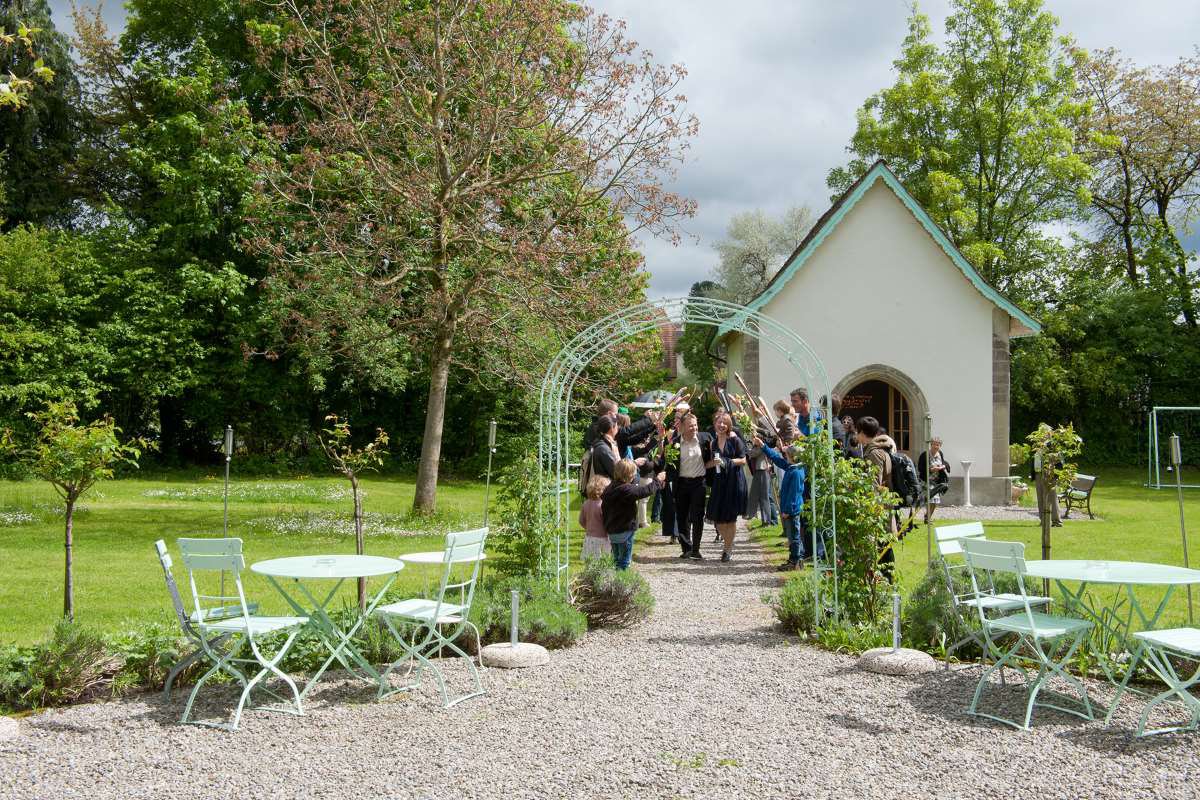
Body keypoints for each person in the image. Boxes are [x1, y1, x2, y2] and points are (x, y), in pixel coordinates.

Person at [753, 435, 811, 570]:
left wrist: (787, 510)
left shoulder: (796, 472)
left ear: (792, 457)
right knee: (793, 536)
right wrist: (763, 446)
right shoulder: (793, 467)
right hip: (790, 509)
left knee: (794, 536)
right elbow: (777, 459)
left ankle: (795, 561)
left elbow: (794, 494)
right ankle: (796, 560)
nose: (785, 456)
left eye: (787, 454)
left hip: (792, 510)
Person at [601, 459, 665, 570]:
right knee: (624, 561)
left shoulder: (610, 488)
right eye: (634, 473)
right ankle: (622, 582)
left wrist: (634, 464)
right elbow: (645, 491)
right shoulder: (626, 489)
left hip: (612, 531)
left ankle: (614, 580)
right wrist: (658, 480)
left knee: (616, 559)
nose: (636, 475)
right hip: (624, 531)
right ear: (630, 475)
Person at [857, 415, 897, 581]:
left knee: (882, 547)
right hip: (884, 506)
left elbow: (873, 484)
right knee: (884, 546)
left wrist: (867, 509)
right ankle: (887, 580)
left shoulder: (874, 453)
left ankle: (886, 581)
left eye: (857, 432)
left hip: (878, 508)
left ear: (862, 433)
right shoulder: (880, 450)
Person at [668, 411, 713, 558]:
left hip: (699, 483)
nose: (694, 428)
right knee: (682, 517)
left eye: (695, 425)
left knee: (697, 516)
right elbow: (667, 463)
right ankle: (686, 548)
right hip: (681, 483)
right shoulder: (674, 442)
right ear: (682, 427)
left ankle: (696, 549)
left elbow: (714, 453)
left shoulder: (705, 438)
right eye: (690, 426)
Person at [706, 411, 748, 562]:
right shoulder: (712, 443)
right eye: (719, 422)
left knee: (730, 519)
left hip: (734, 481)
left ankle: (727, 549)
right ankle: (729, 543)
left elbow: (743, 460)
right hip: (719, 482)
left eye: (725, 423)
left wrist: (726, 462)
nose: (722, 425)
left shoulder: (735, 440)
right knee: (719, 520)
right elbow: (710, 463)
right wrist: (712, 464)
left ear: (729, 425)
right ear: (715, 424)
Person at [916, 436, 951, 523]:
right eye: (934, 445)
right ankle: (924, 518)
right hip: (926, 481)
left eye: (938, 445)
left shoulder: (940, 454)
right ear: (931, 445)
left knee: (935, 501)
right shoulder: (925, 455)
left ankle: (927, 517)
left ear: (940, 446)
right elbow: (920, 468)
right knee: (930, 499)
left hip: (936, 481)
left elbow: (944, 463)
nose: (936, 447)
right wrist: (930, 470)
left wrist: (943, 466)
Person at [578, 475, 611, 560]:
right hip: (602, 538)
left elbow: (581, 520)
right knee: (603, 561)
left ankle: (590, 573)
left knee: (590, 561)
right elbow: (607, 522)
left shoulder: (586, 504)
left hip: (589, 538)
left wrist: (588, 527)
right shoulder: (603, 505)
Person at [589, 415, 621, 481]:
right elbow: (617, 472)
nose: (618, 428)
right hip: (606, 488)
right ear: (611, 428)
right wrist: (634, 464)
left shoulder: (603, 443)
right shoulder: (604, 448)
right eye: (617, 426)